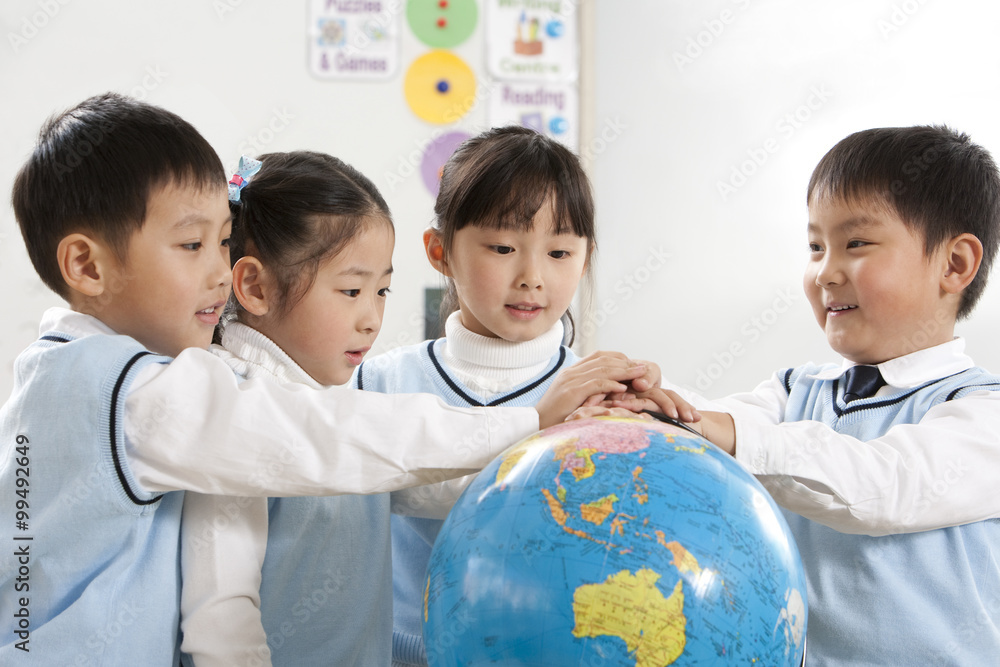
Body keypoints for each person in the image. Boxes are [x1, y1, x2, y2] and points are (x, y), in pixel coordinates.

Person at [0, 94, 667, 664]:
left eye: (224, 241)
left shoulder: (68, 374)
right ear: (87, 266)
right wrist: (533, 420)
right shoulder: (145, 392)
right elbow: (324, 447)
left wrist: (554, 451)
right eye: (192, 245)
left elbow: (388, 474)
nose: (217, 273)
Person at [354, 126, 699, 667]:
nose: (533, 277)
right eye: (503, 247)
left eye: (560, 251)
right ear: (439, 251)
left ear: (586, 259)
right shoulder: (376, 384)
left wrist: (663, 425)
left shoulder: (605, 394)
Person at [665, 126, 1000, 665]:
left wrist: (722, 432)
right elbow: (709, 420)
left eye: (856, 244)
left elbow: (882, 484)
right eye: (816, 246)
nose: (825, 272)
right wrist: (641, 392)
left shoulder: (983, 411)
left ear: (954, 264)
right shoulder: (796, 390)